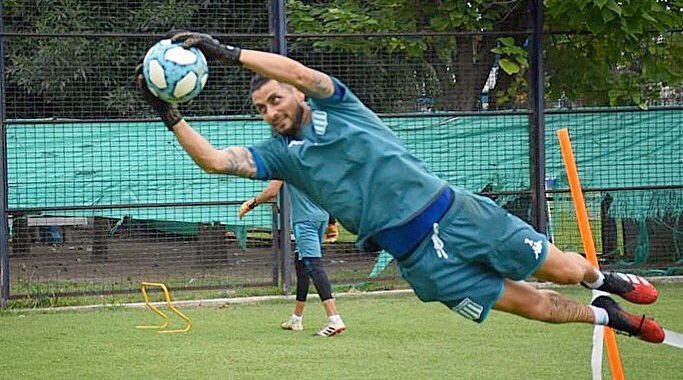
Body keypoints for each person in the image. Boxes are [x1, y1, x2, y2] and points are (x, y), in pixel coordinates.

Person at [135, 31, 665, 344]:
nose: (271, 112)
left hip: (458, 215)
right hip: (424, 265)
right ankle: (611, 317)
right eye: (261, 108)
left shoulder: (339, 106)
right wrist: (169, 115)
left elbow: (298, 69)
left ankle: (605, 279)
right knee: (539, 307)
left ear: (294, 94)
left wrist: (227, 53)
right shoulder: (280, 156)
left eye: (276, 100)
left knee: (567, 269)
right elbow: (214, 161)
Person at [238, 180, 346, 337]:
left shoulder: (284, 161)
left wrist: (251, 204)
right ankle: (296, 318)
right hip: (320, 218)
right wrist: (331, 222)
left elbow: (271, 192)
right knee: (301, 263)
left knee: (313, 266)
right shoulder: (311, 158)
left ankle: (334, 319)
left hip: (305, 221)